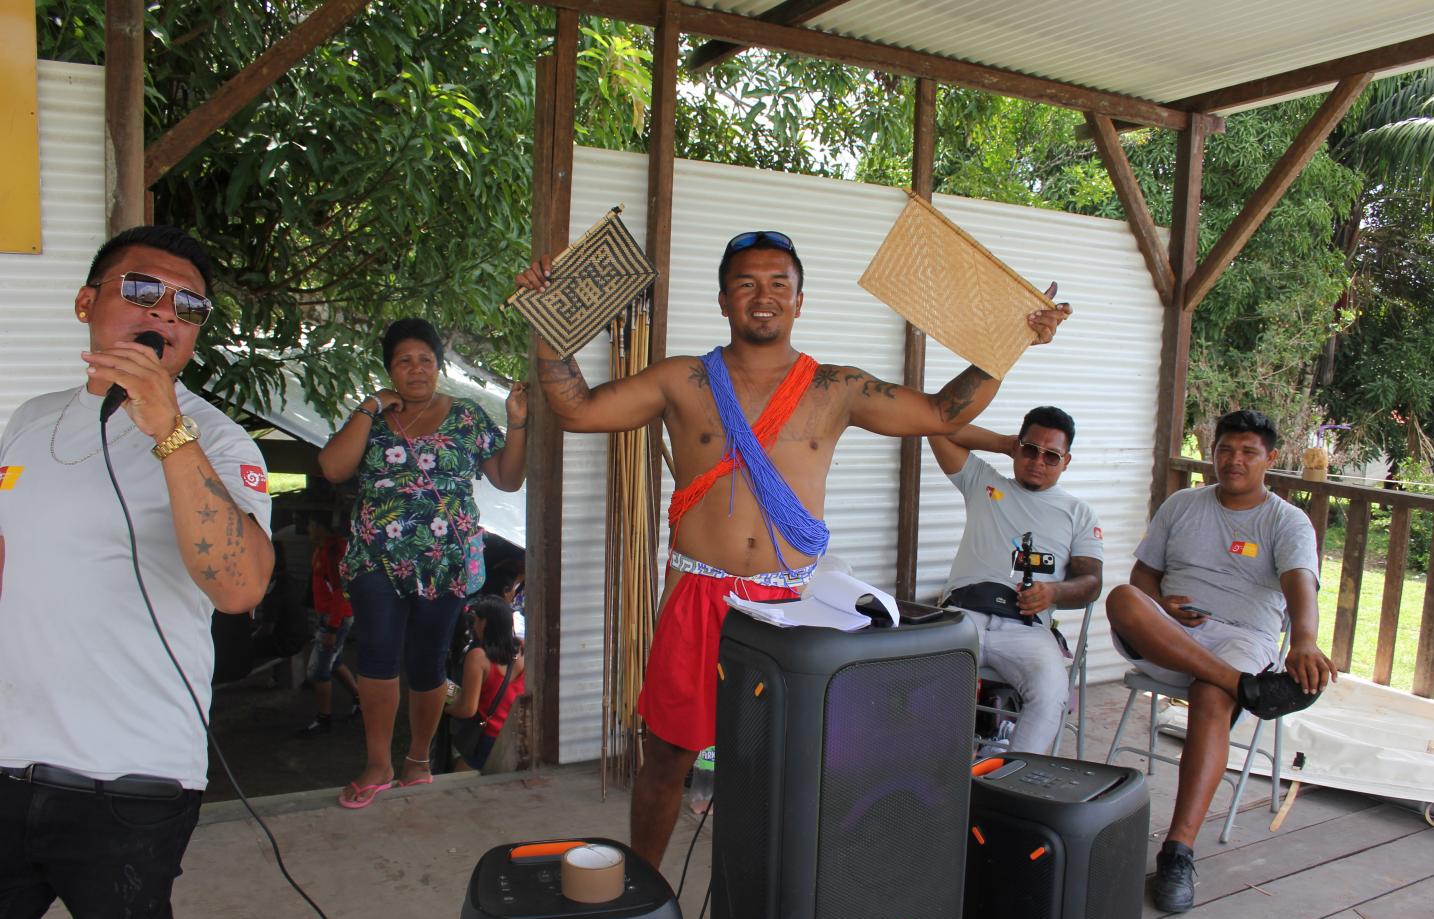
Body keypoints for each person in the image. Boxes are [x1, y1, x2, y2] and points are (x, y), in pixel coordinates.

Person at [516, 230, 1073, 869]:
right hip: (700, 595)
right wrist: (549, 322)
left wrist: (1012, 342)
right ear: (723, 300)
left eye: (779, 284)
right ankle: (644, 885)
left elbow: (943, 412)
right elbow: (580, 411)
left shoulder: (835, 388)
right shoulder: (683, 379)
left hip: (792, 605)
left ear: (800, 302)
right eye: (747, 284)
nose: (764, 296)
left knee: (786, 760)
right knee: (667, 752)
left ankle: (774, 899)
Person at [0, 225, 274, 919]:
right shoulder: (30, 417)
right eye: (143, 290)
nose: (166, 314)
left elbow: (240, 586)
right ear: (88, 302)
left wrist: (167, 430)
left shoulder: (215, 441)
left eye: (190, 306)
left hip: (130, 776)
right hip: (11, 752)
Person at [1105, 409, 1333, 914]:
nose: (1234, 461)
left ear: (1270, 460)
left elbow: (1300, 582)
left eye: (1248, 452)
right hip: (1171, 633)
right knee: (1122, 598)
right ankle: (1248, 688)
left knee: (1212, 696)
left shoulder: (1285, 520)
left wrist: (1305, 639)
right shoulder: (1182, 504)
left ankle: (1178, 852)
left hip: (1243, 638)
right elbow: (1144, 575)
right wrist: (1162, 605)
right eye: (1226, 450)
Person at [318, 318, 527, 808]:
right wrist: (370, 406)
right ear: (390, 368)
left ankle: (417, 760)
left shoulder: (467, 416)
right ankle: (377, 764)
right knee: (377, 656)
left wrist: (516, 422)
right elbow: (332, 467)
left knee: (428, 661)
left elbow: (508, 479)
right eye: (404, 360)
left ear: (439, 365)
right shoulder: (373, 418)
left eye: (426, 360)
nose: (416, 369)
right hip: (376, 557)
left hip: (444, 561)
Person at [929, 406, 1103, 754]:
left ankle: (1009, 776)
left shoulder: (1078, 513)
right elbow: (936, 427)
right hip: (965, 616)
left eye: (1051, 456)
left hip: (1027, 627)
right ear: (1018, 447)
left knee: (1052, 692)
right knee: (914, 672)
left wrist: (1052, 592)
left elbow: (1091, 583)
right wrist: (1003, 444)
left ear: (1066, 462)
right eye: (1030, 449)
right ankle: (935, 773)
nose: (1038, 461)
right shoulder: (983, 481)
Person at [445, 594, 526, 771]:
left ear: (485, 623)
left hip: (488, 738)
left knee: (461, 778)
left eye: (476, 621)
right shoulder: (522, 647)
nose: (474, 626)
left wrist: (443, 708)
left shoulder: (478, 657)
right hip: (516, 733)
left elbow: (467, 709)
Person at [298, 511, 360, 735]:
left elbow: (341, 591)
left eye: (312, 523)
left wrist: (333, 627)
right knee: (334, 662)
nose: (308, 528)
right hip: (330, 615)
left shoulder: (335, 551)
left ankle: (324, 718)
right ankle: (359, 698)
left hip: (336, 617)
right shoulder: (323, 548)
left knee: (318, 670)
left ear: (323, 526)